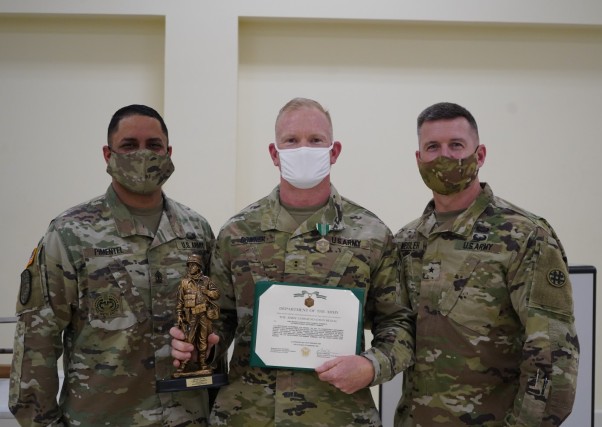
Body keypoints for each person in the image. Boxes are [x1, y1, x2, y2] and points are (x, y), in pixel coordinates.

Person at [170, 97, 415, 426]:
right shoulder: (237, 232)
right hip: (247, 415)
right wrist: (201, 345)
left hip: (338, 415)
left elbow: (397, 324)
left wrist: (371, 367)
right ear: (274, 153)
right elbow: (222, 319)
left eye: (315, 140)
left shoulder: (371, 234)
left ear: (334, 151)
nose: (304, 149)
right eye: (291, 140)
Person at [9, 104, 215, 426]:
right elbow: (37, 341)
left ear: (168, 152)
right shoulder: (70, 233)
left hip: (185, 417)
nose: (143, 154)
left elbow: (213, 324)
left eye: (154, 145)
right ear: (108, 154)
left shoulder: (197, 230)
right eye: (129, 145)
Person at [394, 102, 579, 426]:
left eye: (456, 145)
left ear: (479, 155)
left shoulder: (525, 236)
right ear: (418, 158)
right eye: (432, 147)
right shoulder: (407, 241)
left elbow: (553, 360)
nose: (444, 157)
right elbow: (389, 325)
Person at [175, 254, 220, 374]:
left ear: (199, 267)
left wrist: (207, 292)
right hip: (191, 316)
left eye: (193, 265)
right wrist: (179, 315)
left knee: (203, 340)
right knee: (188, 340)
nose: (191, 267)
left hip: (204, 314)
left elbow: (216, 294)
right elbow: (180, 301)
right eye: (189, 265)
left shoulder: (206, 280)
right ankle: (183, 365)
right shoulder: (184, 282)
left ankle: (203, 363)